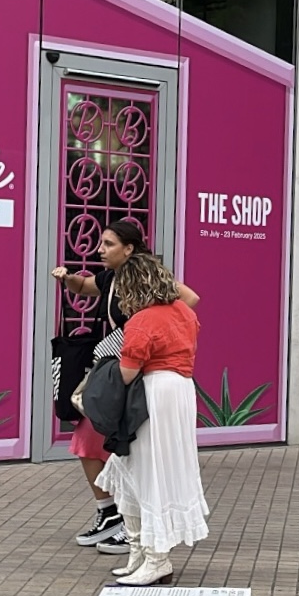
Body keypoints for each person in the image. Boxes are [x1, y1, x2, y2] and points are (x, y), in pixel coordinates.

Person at [49, 220, 198, 556]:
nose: (100, 250)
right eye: (101, 243)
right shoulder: (111, 279)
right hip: (121, 369)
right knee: (91, 441)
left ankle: (132, 526)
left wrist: (147, 334)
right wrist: (68, 278)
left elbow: (189, 299)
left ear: (129, 249)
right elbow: (86, 287)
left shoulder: (146, 277)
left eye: (108, 244)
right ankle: (113, 515)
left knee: (121, 448)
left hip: (137, 374)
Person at [96, 251, 207, 586]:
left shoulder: (142, 320)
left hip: (152, 394)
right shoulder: (183, 312)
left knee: (143, 470)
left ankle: (154, 558)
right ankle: (142, 554)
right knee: (147, 468)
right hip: (180, 391)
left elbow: (128, 373)